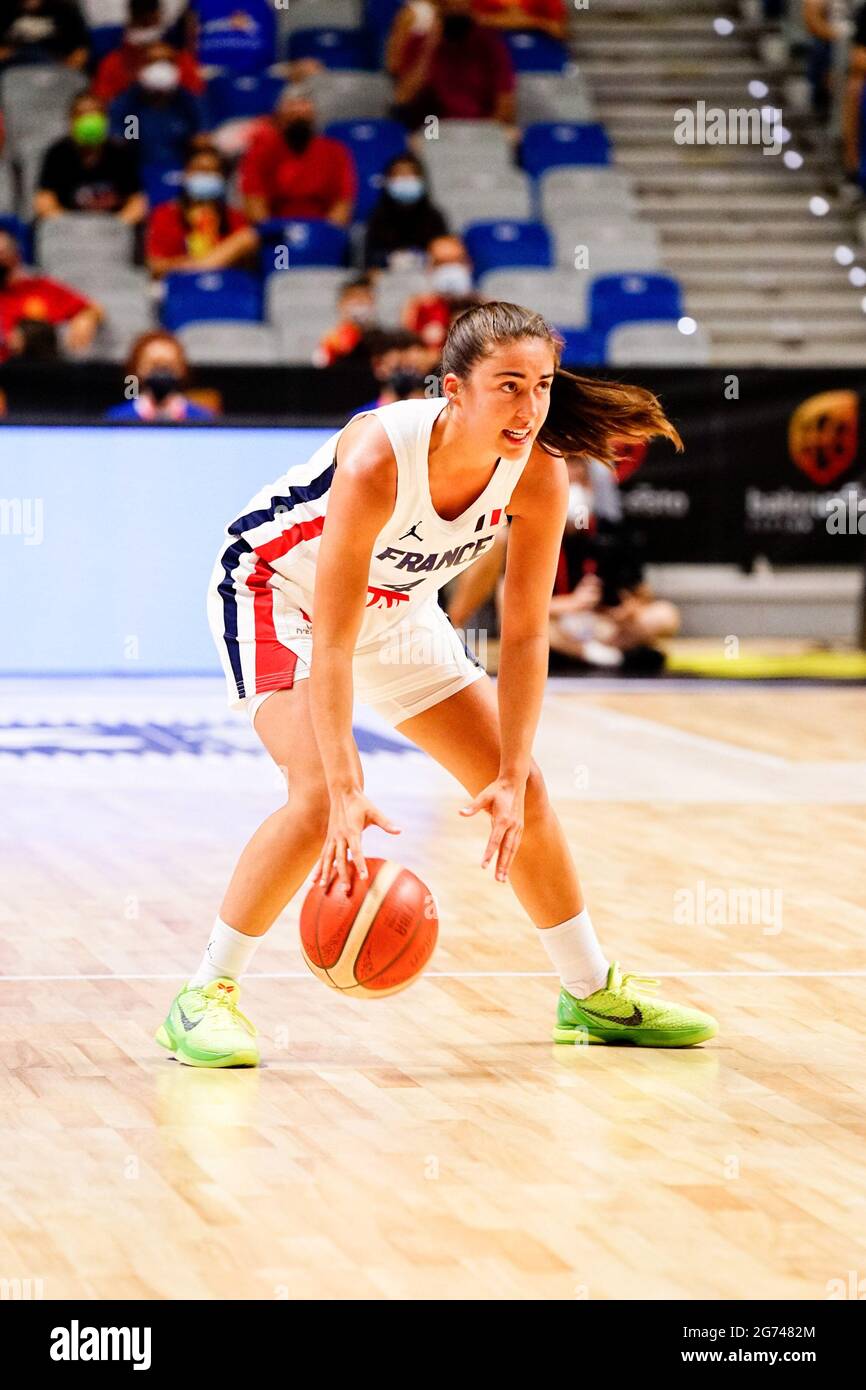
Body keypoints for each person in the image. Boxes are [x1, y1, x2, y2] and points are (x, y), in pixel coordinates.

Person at [154, 300, 718, 1068]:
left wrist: (513, 768)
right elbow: (336, 633)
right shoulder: (378, 457)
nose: (529, 408)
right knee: (319, 796)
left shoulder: (539, 474)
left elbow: (522, 634)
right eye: (508, 386)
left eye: (542, 386)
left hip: (398, 608)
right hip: (278, 593)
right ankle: (204, 994)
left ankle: (589, 994)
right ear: (453, 390)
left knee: (529, 790)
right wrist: (350, 783)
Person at [387, 0, 516, 130]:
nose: (456, 6)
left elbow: (505, 104)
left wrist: (485, 135)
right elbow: (402, 100)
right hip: (432, 129)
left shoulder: (490, 43)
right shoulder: (420, 42)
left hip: (480, 130)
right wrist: (430, 45)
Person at [239, 85, 357, 224]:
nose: (297, 110)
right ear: (278, 113)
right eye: (291, 105)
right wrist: (276, 234)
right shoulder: (259, 153)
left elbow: (342, 205)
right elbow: (255, 206)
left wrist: (320, 235)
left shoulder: (336, 152)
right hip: (276, 235)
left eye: (303, 104)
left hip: (322, 233)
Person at [145, 144, 258, 276]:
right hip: (180, 287)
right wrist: (204, 264)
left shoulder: (235, 218)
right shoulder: (165, 215)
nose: (206, 176)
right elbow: (157, 266)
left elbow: (247, 264)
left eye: (213, 171)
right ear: (186, 174)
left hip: (228, 287)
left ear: (223, 178)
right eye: (200, 170)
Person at [35, 91, 146, 222]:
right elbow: (44, 201)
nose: (89, 120)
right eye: (82, 114)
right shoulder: (58, 153)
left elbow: (138, 202)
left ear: (105, 120)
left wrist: (116, 224)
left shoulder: (120, 153)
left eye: (95, 113)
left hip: (111, 231)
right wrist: (70, 226)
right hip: (70, 231)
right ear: (71, 121)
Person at [0, 229, 102, 361]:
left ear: (16, 255)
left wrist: (86, 318)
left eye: (1, 254)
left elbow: (93, 308)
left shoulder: (41, 287)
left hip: (39, 369)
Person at [108, 39, 203, 170]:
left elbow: (202, 137)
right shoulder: (129, 103)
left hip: (180, 170)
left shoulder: (188, 102)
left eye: (167, 61)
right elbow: (124, 140)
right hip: (139, 172)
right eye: (153, 61)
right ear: (142, 67)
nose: (160, 67)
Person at [91, 0, 203, 103]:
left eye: (149, 23)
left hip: (175, 121)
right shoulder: (113, 64)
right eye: (142, 23)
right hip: (132, 121)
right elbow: (103, 104)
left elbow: (197, 101)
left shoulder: (180, 60)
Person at [362, 152, 449, 270]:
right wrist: (390, 259)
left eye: (410, 174)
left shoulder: (435, 217)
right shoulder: (377, 217)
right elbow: (369, 258)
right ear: (388, 180)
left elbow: (444, 253)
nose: (404, 179)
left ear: (422, 180)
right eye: (399, 174)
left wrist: (421, 258)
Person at [104, 329, 214, 420]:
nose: (161, 372)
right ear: (136, 370)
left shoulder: (202, 418)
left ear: (182, 370)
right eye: (154, 365)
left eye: (169, 365)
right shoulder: (116, 418)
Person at [401, 234, 483, 350]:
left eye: (456, 261)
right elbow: (409, 352)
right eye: (441, 263)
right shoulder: (416, 307)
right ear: (429, 268)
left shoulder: (484, 306)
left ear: (468, 265)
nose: (450, 269)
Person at [312, 275, 379, 367]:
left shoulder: (380, 339)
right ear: (341, 304)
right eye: (356, 299)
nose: (361, 304)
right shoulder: (331, 340)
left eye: (366, 299)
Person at [0, 0, 88, 68]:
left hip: (53, 68)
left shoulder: (65, 10)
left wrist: (66, 69)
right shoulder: (7, 9)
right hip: (13, 68)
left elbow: (81, 49)